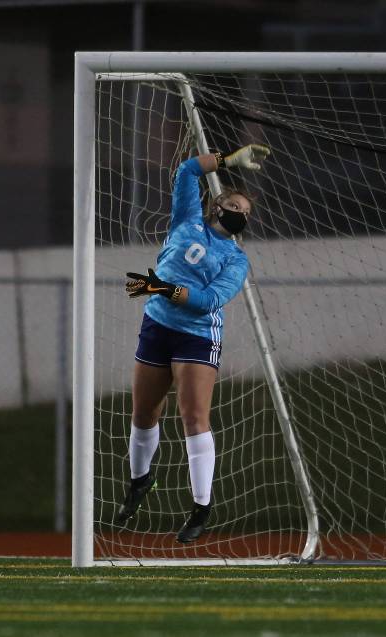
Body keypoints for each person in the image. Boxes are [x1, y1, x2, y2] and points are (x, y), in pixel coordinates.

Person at [114, 143, 270, 543]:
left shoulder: (236, 260)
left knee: (193, 418)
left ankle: (201, 507)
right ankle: (139, 481)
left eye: (246, 213)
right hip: (157, 326)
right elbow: (186, 171)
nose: (240, 213)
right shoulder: (187, 220)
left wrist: (162, 287)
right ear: (216, 206)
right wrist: (229, 160)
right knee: (144, 413)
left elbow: (208, 302)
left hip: (197, 337)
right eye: (234, 205)